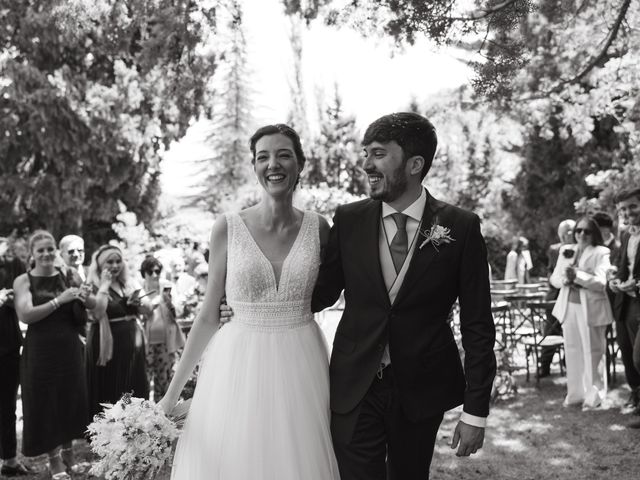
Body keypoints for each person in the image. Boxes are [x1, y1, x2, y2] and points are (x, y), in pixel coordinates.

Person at [311, 112, 496, 479]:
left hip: (421, 388)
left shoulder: (460, 226)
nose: (366, 164)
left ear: (415, 164)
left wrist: (475, 412)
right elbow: (321, 294)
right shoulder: (348, 219)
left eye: (378, 154)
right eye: (366, 153)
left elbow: (477, 324)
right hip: (355, 385)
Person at [159, 124, 340, 479]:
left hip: (302, 361)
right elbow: (209, 314)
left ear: (300, 164)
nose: (273, 164)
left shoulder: (320, 228)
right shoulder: (227, 227)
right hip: (237, 362)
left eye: (284, 154)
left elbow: (332, 291)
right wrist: (170, 395)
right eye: (263, 157)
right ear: (255, 167)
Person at [13, 231, 94, 479]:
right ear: (33, 255)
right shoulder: (23, 281)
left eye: (50, 248)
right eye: (41, 250)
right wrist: (59, 300)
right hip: (41, 351)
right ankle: (54, 461)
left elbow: (92, 306)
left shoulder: (68, 274)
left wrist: (85, 295)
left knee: (69, 399)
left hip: (69, 348)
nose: (47, 253)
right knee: (46, 402)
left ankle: (69, 456)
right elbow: (25, 314)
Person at [550, 217, 614, 409]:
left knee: (593, 352)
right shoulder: (566, 251)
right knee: (572, 350)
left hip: (592, 309)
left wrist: (577, 276)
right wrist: (566, 280)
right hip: (569, 307)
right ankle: (575, 394)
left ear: (594, 233)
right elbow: (554, 279)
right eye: (578, 230)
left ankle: (594, 396)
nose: (581, 235)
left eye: (586, 231)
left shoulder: (601, 252)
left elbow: (601, 282)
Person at [85, 245, 150, 417]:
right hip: (107, 345)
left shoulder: (128, 282)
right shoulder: (91, 285)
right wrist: (105, 285)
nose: (115, 266)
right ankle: (107, 432)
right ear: (99, 265)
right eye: (110, 262)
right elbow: (98, 312)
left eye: (118, 261)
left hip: (132, 345)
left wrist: (139, 303)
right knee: (111, 386)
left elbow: (148, 310)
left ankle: (136, 426)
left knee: (134, 384)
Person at [608, 188, 640, 428]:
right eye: (623, 209)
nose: (627, 212)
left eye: (632, 206)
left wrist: (636, 284)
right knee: (627, 353)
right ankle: (638, 401)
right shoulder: (627, 235)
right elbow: (623, 266)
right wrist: (615, 280)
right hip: (625, 303)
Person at [0, 237, 30, 477]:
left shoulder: (14, 265)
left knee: (7, 405)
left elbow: (25, 302)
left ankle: (9, 460)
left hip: (7, 344)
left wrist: (12, 301)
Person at [139, 256, 185, 400]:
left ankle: (162, 417)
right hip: (145, 344)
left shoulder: (166, 287)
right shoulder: (139, 289)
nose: (154, 275)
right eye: (150, 271)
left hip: (165, 343)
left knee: (164, 381)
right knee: (144, 382)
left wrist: (169, 303)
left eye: (157, 271)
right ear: (144, 273)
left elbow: (178, 312)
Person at [540, 219, 576, 377]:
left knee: (571, 333)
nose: (565, 236)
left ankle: (569, 364)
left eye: (568, 232)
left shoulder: (580, 248)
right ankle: (545, 366)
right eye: (562, 233)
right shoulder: (554, 250)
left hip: (574, 297)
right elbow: (550, 271)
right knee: (550, 331)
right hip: (554, 295)